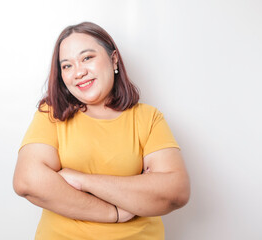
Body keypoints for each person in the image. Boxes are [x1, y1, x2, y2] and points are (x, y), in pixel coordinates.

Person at [13, 21, 190, 240]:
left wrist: (82, 180)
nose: (78, 72)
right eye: (67, 65)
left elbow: (175, 192)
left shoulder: (148, 118)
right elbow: (28, 181)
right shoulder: (51, 114)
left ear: (113, 59)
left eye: (87, 58)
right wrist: (113, 212)